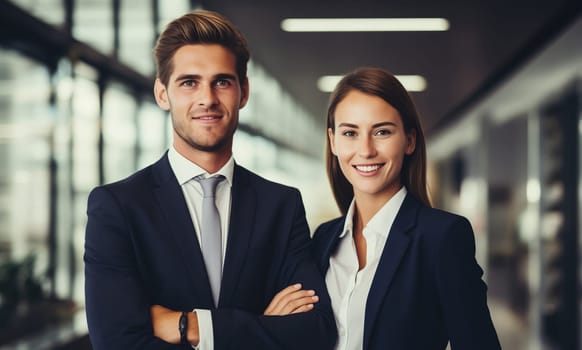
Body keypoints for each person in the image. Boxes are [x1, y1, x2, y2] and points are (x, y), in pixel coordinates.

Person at [84, 10, 336, 350]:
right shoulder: (117, 207)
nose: (208, 98)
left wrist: (191, 325)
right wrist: (262, 327)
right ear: (162, 94)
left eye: (222, 81)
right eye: (189, 82)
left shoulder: (281, 205)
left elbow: (315, 331)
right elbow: (116, 343)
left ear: (243, 92)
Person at [311, 67, 502, 349]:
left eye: (382, 132)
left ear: (409, 141)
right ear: (333, 141)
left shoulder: (442, 237)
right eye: (350, 133)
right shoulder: (323, 239)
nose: (365, 150)